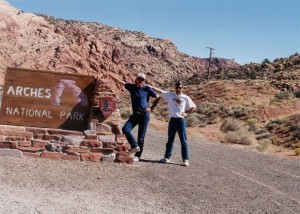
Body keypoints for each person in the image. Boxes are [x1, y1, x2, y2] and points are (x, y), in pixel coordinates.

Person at [109, 72, 160, 162]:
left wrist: (151, 108)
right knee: (125, 129)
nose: (140, 81)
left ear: (144, 81)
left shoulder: (147, 89)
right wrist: (109, 74)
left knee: (141, 137)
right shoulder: (132, 87)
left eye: (142, 79)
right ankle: (135, 146)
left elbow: (158, 97)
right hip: (135, 115)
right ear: (136, 79)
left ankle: (138, 156)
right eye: (139, 79)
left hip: (144, 115)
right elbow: (119, 81)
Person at [152, 81, 196, 166]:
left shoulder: (185, 97)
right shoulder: (170, 95)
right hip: (172, 120)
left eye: (180, 87)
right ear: (174, 88)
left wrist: (187, 113)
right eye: (176, 87)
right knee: (170, 140)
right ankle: (167, 157)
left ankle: (185, 159)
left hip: (181, 121)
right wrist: (150, 86)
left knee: (183, 141)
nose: (178, 89)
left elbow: (194, 107)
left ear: (182, 88)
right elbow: (160, 91)